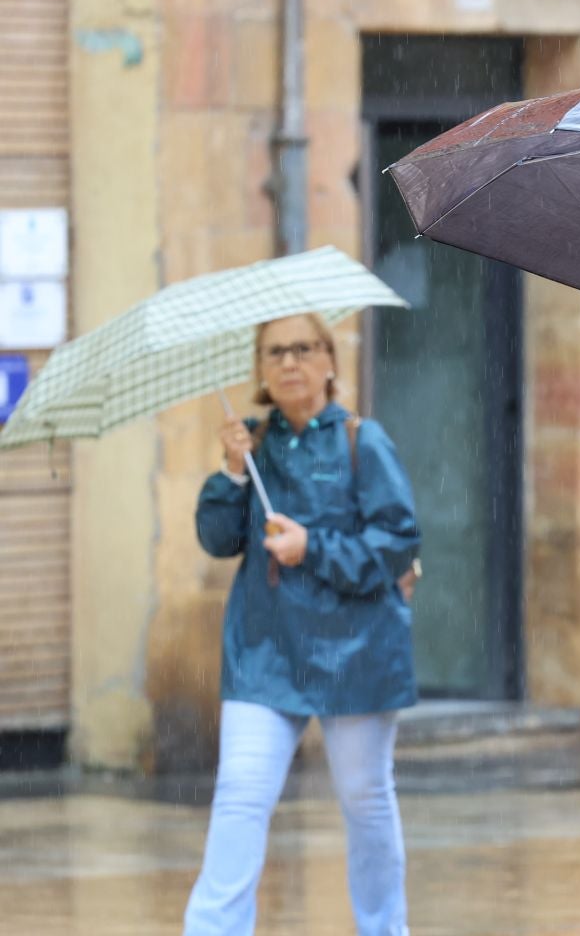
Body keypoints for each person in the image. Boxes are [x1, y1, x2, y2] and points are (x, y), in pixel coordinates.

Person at [185, 313, 422, 936]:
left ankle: (384, 929)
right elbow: (218, 539)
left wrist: (311, 547)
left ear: (329, 361)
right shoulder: (253, 445)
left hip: (356, 652)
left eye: (303, 348)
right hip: (265, 652)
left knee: (367, 802)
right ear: (260, 369)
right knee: (240, 796)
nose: (289, 361)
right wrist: (232, 472)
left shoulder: (360, 439)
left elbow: (398, 541)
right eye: (275, 351)